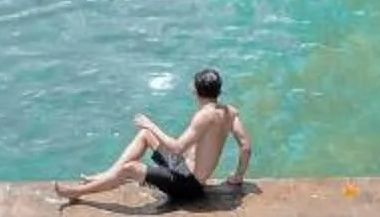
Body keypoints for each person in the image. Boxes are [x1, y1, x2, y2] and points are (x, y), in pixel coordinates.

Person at [56, 68, 250, 207]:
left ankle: (76, 193)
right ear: (218, 90)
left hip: (189, 186)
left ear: (195, 91)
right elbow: (245, 146)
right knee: (145, 136)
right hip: (187, 173)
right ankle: (108, 175)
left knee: (130, 167)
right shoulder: (230, 112)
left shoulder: (203, 116)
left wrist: (151, 124)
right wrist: (238, 177)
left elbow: (177, 148)